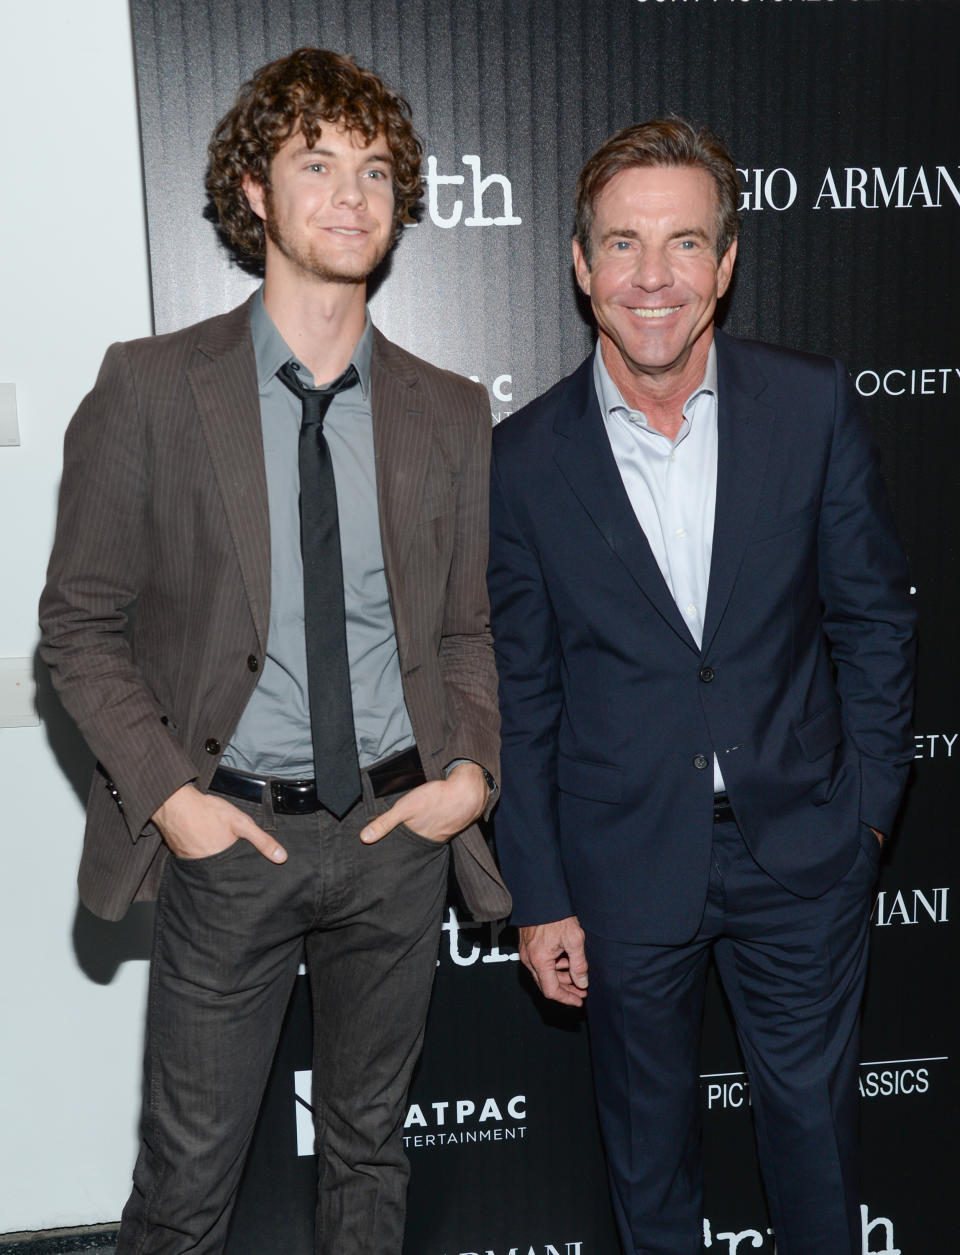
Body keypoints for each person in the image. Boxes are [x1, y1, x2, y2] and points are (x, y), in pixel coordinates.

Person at [40, 46, 509, 1255]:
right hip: (230, 840)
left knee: (371, 1159)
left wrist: (470, 778)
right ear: (255, 192)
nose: (351, 194)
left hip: (398, 839)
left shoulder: (451, 409)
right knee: (186, 1191)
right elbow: (79, 626)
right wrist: (175, 802)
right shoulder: (151, 389)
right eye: (316, 163)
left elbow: (465, 628)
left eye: (373, 170)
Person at [487, 117, 915, 1255]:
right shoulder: (524, 462)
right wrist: (536, 890)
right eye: (623, 244)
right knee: (646, 1153)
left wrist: (867, 812)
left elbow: (874, 620)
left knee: (816, 1144)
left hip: (805, 847)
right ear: (582, 267)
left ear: (727, 262)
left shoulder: (810, 405)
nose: (653, 277)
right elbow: (521, 696)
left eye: (684, 243)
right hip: (622, 862)